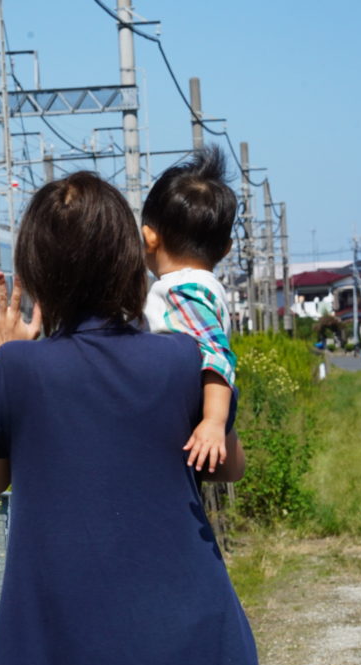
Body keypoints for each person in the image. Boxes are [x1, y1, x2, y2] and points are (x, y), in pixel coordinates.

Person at [0, 171, 260, 665]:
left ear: (36, 270)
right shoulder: (183, 358)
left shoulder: (18, 367)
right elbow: (229, 467)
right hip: (193, 643)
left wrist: (6, 356)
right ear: (127, 256)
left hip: (54, 647)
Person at [141, 144, 238, 475]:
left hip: (183, 414)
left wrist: (213, 421)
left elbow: (216, 354)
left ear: (148, 238)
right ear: (225, 249)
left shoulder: (183, 290)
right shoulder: (203, 284)